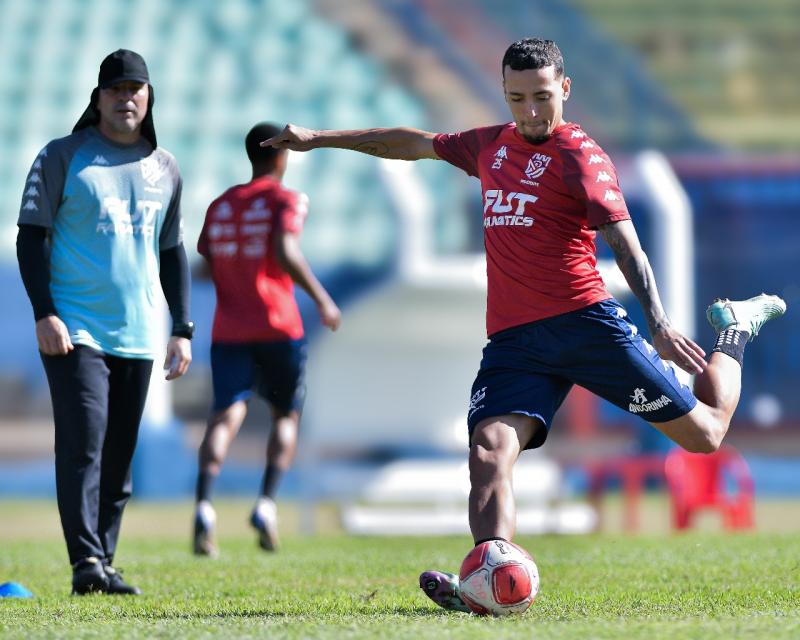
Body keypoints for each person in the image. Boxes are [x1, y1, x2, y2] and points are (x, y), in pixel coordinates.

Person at [262, 37, 787, 611]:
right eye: (517, 98)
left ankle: (734, 328)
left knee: (706, 435)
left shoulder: (580, 156)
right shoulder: (489, 146)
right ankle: (490, 578)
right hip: (514, 343)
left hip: (588, 328)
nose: (532, 111)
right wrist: (318, 139)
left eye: (542, 97)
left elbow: (625, 242)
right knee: (489, 448)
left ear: (564, 88)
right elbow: (408, 143)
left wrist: (658, 322)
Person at [15, 49, 193, 595]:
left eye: (135, 89)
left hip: (138, 333)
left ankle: (103, 561)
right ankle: (85, 562)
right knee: (84, 442)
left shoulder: (165, 167)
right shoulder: (63, 156)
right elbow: (30, 238)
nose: (126, 98)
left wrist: (182, 328)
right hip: (75, 327)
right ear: (97, 98)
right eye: (115, 89)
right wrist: (45, 312)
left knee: (119, 455)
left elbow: (172, 251)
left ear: (149, 98)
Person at [192, 122, 341, 558]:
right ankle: (267, 504)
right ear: (282, 155)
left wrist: (237, 270)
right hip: (278, 326)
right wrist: (322, 299)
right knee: (285, 417)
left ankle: (203, 507)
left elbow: (206, 267)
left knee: (224, 416)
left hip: (229, 330)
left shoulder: (220, 205)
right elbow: (285, 250)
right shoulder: (285, 200)